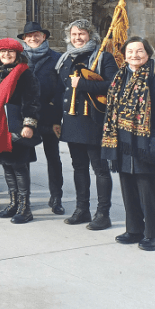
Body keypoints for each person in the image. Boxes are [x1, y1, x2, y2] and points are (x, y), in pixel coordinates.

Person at [102, 37, 155, 251]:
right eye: (130, 51)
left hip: (148, 141)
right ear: (124, 55)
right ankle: (134, 230)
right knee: (128, 188)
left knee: (148, 189)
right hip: (123, 141)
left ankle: (153, 235)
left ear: (148, 53)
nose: (134, 55)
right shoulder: (120, 76)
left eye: (139, 51)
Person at [56, 19, 119, 231]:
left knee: (100, 169)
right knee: (78, 167)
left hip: (94, 121)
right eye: (74, 35)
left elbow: (113, 85)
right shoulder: (66, 59)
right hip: (73, 121)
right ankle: (82, 209)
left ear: (91, 35)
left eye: (81, 34)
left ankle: (103, 213)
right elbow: (60, 91)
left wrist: (83, 84)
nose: (77, 38)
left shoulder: (104, 57)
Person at [0, 38, 41, 224]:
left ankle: (24, 207)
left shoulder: (25, 74)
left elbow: (32, 100)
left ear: (17, 54)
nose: (6, 55)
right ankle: (13, 204)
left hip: (17, 127)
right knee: (7, 166)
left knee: (19, 167)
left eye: (10, 52)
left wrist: (29, 125)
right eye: (3, 52)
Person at [20, 21, 65, 214]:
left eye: (36, 35)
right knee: (23, 158)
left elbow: (61, 87)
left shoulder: (56, 57)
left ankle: (56, 197)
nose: (32, 38)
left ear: (44, 36)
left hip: (49, 115)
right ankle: (24, 199)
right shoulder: (20, 59)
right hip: (27, 117)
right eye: (28, 36)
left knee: (53, 157)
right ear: (24, 39)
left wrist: (56, 115)